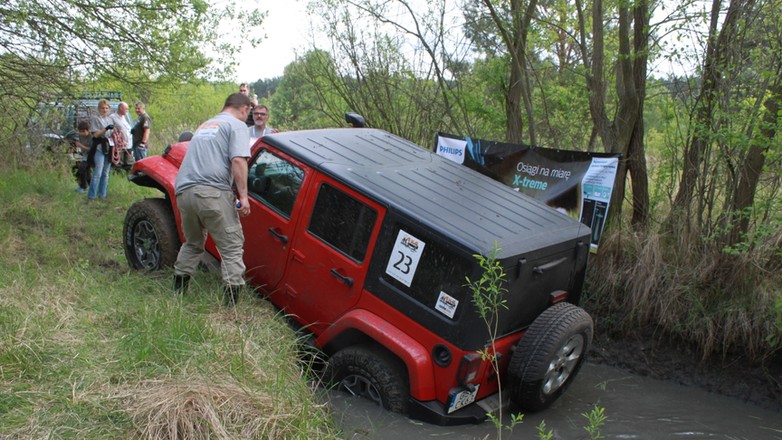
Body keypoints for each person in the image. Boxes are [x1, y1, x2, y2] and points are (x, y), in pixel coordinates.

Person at [172, 93, 252, 306]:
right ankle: (230, 308)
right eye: (249, 112)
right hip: (211, 191)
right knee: (232, 248)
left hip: (184, 191)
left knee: (193, 243)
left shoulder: (206, 125)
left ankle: (178, 296)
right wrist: (243, 197)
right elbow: (238, 160)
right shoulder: (236, 125)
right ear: (244, 109)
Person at [87, 99, 114, 200]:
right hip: (99, 146)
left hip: (109, 146)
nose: (105, 110)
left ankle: (102, 195)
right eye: (103, 108)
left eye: (106, 108)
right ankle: (91, 196)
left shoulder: (110, 119)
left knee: (106, 173)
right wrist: (106, 129)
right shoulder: (95, 119)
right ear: (99, 109)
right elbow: (96, 134)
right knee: (97, 172)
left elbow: (113, 133)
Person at [68, 120, 92, 193]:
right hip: (84, 155)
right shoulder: (80, 136)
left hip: (92, 156)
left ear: (87, 130)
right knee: (85, 170)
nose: (81, 133)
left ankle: (83, 186)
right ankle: (90, 186)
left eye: (83, 131)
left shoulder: (91, 137)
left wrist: (81, 146)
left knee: (82, 168)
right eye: (80, 131)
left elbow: (91, 149)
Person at [110, 102, 132, 167]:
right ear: (120, 108)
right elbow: (111, 130)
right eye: (126, 109)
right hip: (119, 145)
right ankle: (117, 172)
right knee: (119, 162)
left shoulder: (124, 117)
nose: (127, 111)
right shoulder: (112, 117)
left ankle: (126, 170)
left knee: (128, 161)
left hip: (128, 143)